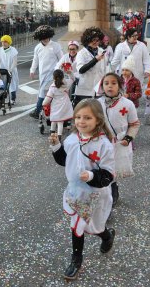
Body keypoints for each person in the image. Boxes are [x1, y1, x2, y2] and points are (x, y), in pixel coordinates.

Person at [49, 99, 116, 280]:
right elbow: (65, 161)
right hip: (75, 192)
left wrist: (92, 175)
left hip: (95, 194)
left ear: (98, 120)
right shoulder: (71, 139)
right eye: (78, 117)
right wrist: (56, 146)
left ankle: (106, 236)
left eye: (87, 117)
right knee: (77, 225)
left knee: (94, 226)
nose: (81, 121)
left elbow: (109, 174)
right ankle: (76, 259)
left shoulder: (104, 145)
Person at [97, 73, 140, 206]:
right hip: (101, 142)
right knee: (101, 167)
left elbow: (134, 124)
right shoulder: (97, 104)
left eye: (113, 83)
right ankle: (102, 191)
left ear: (120, 85)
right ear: (102, 86)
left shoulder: (127, 104)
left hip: (120, 143)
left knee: (113, 168)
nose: (110, 86)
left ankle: (113, 189)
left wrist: (128, 138)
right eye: (106, 83)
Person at [29, 25, 63, 118]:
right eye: (43, 38)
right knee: (44, 92)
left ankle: (38, 110)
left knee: (44, 92)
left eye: (46, 38)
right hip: (42, 73)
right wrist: (32, 70)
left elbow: (61, 59)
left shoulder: (56, 46)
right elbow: (35, 59)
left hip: (53, 74)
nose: (45, 40)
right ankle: (45, 110)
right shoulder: (37, 47)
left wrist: (60, 71)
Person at [75, 27, 107, 106]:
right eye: (93, 40)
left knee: (98, 112)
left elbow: (105, 69)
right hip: (85, 89)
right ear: (88, 40)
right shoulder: (81, 53)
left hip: (99, 88)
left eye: (97, 40)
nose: (96, 42)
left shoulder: (101, 51)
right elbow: (81, 70)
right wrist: (95, 60)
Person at [42, 70, 74, 141]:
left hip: (56, 105)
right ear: (63, 76)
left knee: (54, 119)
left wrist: (43, 103)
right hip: (65, 104)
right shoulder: (67, 83)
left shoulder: (52, 87)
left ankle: (52, 134)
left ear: (53, 77)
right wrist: (70, 73)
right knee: (60, 121)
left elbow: (48, 98)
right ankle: (59, 137)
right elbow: (72, 79)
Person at [0, 35, 19, 105]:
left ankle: (13, 99)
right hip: (2, 71)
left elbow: (15, 62)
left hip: (11, 70)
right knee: (2, 85)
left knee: (12, 85)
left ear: (8, 42)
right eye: (2, 41)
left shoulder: (13, 50)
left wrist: (10, 69)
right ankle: (2, 99)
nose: (3, 43)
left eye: (5, 42)